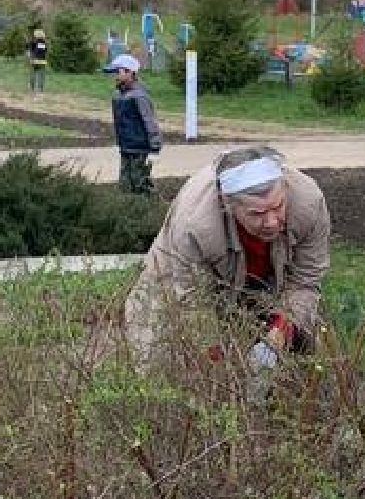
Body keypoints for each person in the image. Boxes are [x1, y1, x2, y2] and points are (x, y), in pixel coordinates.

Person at [123, 145, 331, 371]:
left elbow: (305, 281)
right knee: (163, 362)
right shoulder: (194, 225)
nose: (271, 222)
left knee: (297, 353)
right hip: (180, 278)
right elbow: (194, 305)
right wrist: (218, 363)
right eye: (257, 214)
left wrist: (276, 338)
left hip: (269, 278)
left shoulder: (308, 203)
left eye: (278, 207)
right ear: (228, 205)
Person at [104, 53, 162, 195]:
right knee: (124, 184)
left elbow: (149, 121)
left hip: (139, 148)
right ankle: (127, 210)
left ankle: (153, 208)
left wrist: (155, 146)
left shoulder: (139, 96)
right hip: (125, 147)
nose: (115, 76)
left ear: (130, 73)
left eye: (118, 72)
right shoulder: (118, 95)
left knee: (140, 182)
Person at [27, 28, 49, 93]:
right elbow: (45, 52)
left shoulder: (33, 42)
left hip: (34, 60)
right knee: (41, 75)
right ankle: (40, 88)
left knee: (33, 74)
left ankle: (32, 87)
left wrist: (30, 57)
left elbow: (30, 50)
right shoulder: (44, 43)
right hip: (42, 61)